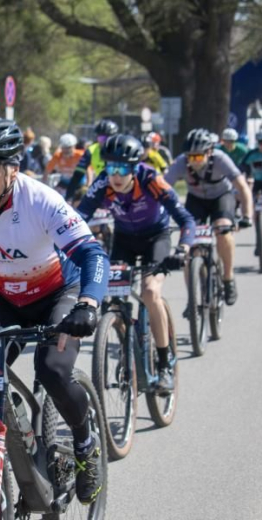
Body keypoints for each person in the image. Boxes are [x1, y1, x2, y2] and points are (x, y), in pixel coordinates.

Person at [0, 115, 109, 505]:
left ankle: (84, 443)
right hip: (3, 298)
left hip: (57, 292)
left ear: (12, 169)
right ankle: (13, 446)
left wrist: (88, 304)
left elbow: (91, 252)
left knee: (54, 370)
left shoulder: (39, 199)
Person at [77, 135, 195, 393]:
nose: (116, 175)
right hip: (124, 240)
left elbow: (186, 219)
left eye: (123, 168)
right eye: (110, 167)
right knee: (113, 299)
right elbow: (75, 220)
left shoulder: (151, 179)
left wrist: (183, 247)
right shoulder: (102, 184)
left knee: (150, 292)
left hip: (156, 237)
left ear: (135, 168)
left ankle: (164, 365)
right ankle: (124, 341)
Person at [165, 128, 253, 306]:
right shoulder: (182, 162)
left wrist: (247, 215)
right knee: (188, 247)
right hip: (196, 200)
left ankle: (228, 278)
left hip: (221, 197)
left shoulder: (221, 159)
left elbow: (242, 187)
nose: (194, 161)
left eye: (198, 157)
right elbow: (163, 189)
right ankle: (192, 298)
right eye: (190, 157)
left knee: (223, 229)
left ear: (209, 152)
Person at [66, 119, 119, 200]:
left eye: (109, 138)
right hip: (103, 188)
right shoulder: (91, 151)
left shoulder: (121, 149)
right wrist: (68, 198)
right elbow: (77, 176)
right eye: (102, 138)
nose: (105, 142)